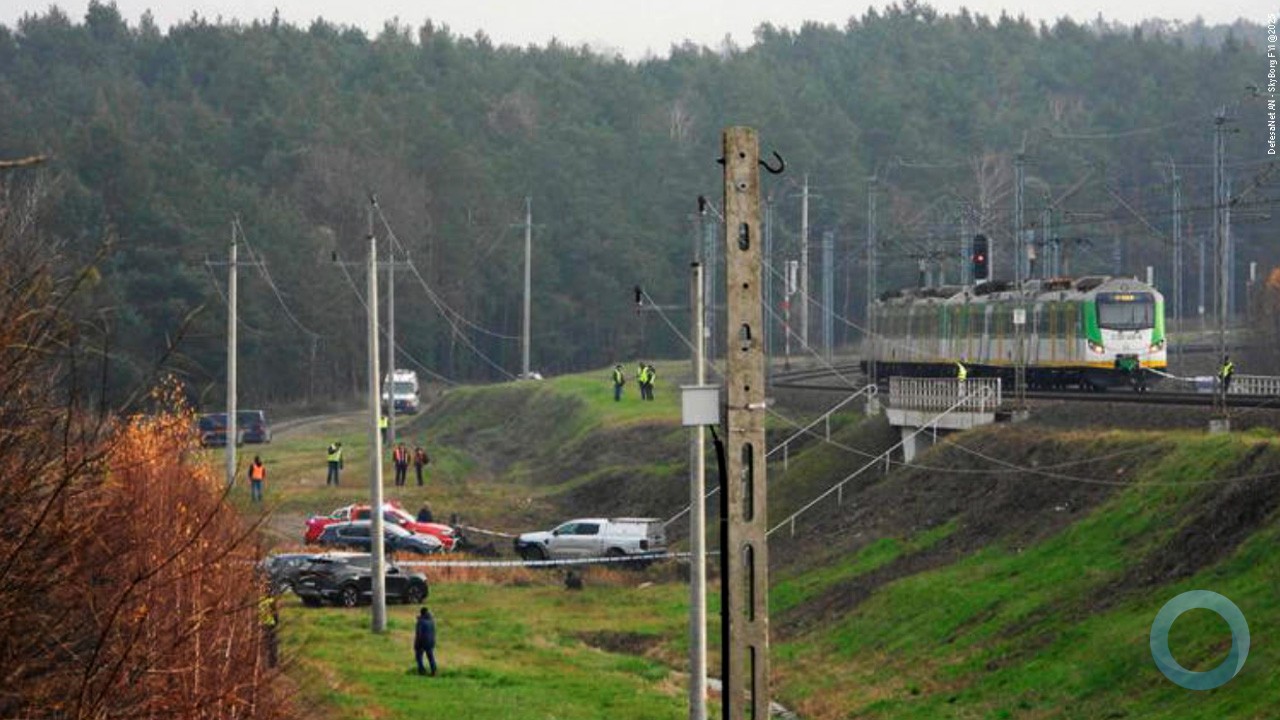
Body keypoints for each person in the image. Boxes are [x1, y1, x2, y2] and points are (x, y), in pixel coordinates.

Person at [414, 606, 437, 676]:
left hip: (422, 642)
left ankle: (421, 670)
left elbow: (419, 634)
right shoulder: (432, 620)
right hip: (431, 641)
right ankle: (434, 670)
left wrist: (416, 644)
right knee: (431, 657)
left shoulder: (420, 622)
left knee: (419, 657)